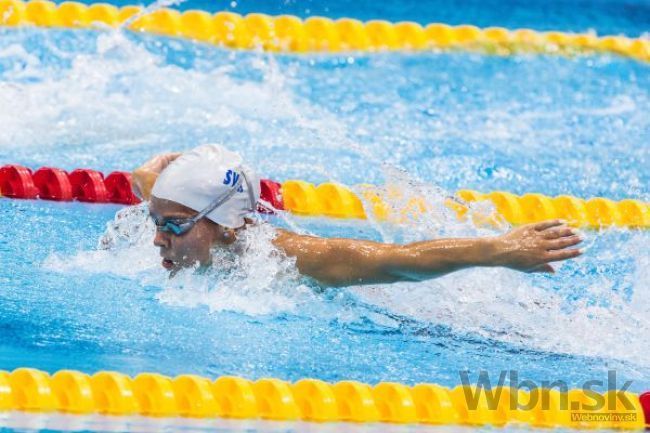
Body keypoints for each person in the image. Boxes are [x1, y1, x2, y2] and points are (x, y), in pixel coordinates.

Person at [131, 144, 583, 287]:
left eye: (172, 227)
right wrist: (144, 181)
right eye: (157, 221)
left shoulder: (289, 258)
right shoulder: (192, 214)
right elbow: (165, 198)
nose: (157, 239)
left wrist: (497, 249)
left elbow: (396, 259)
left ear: (229, 227)